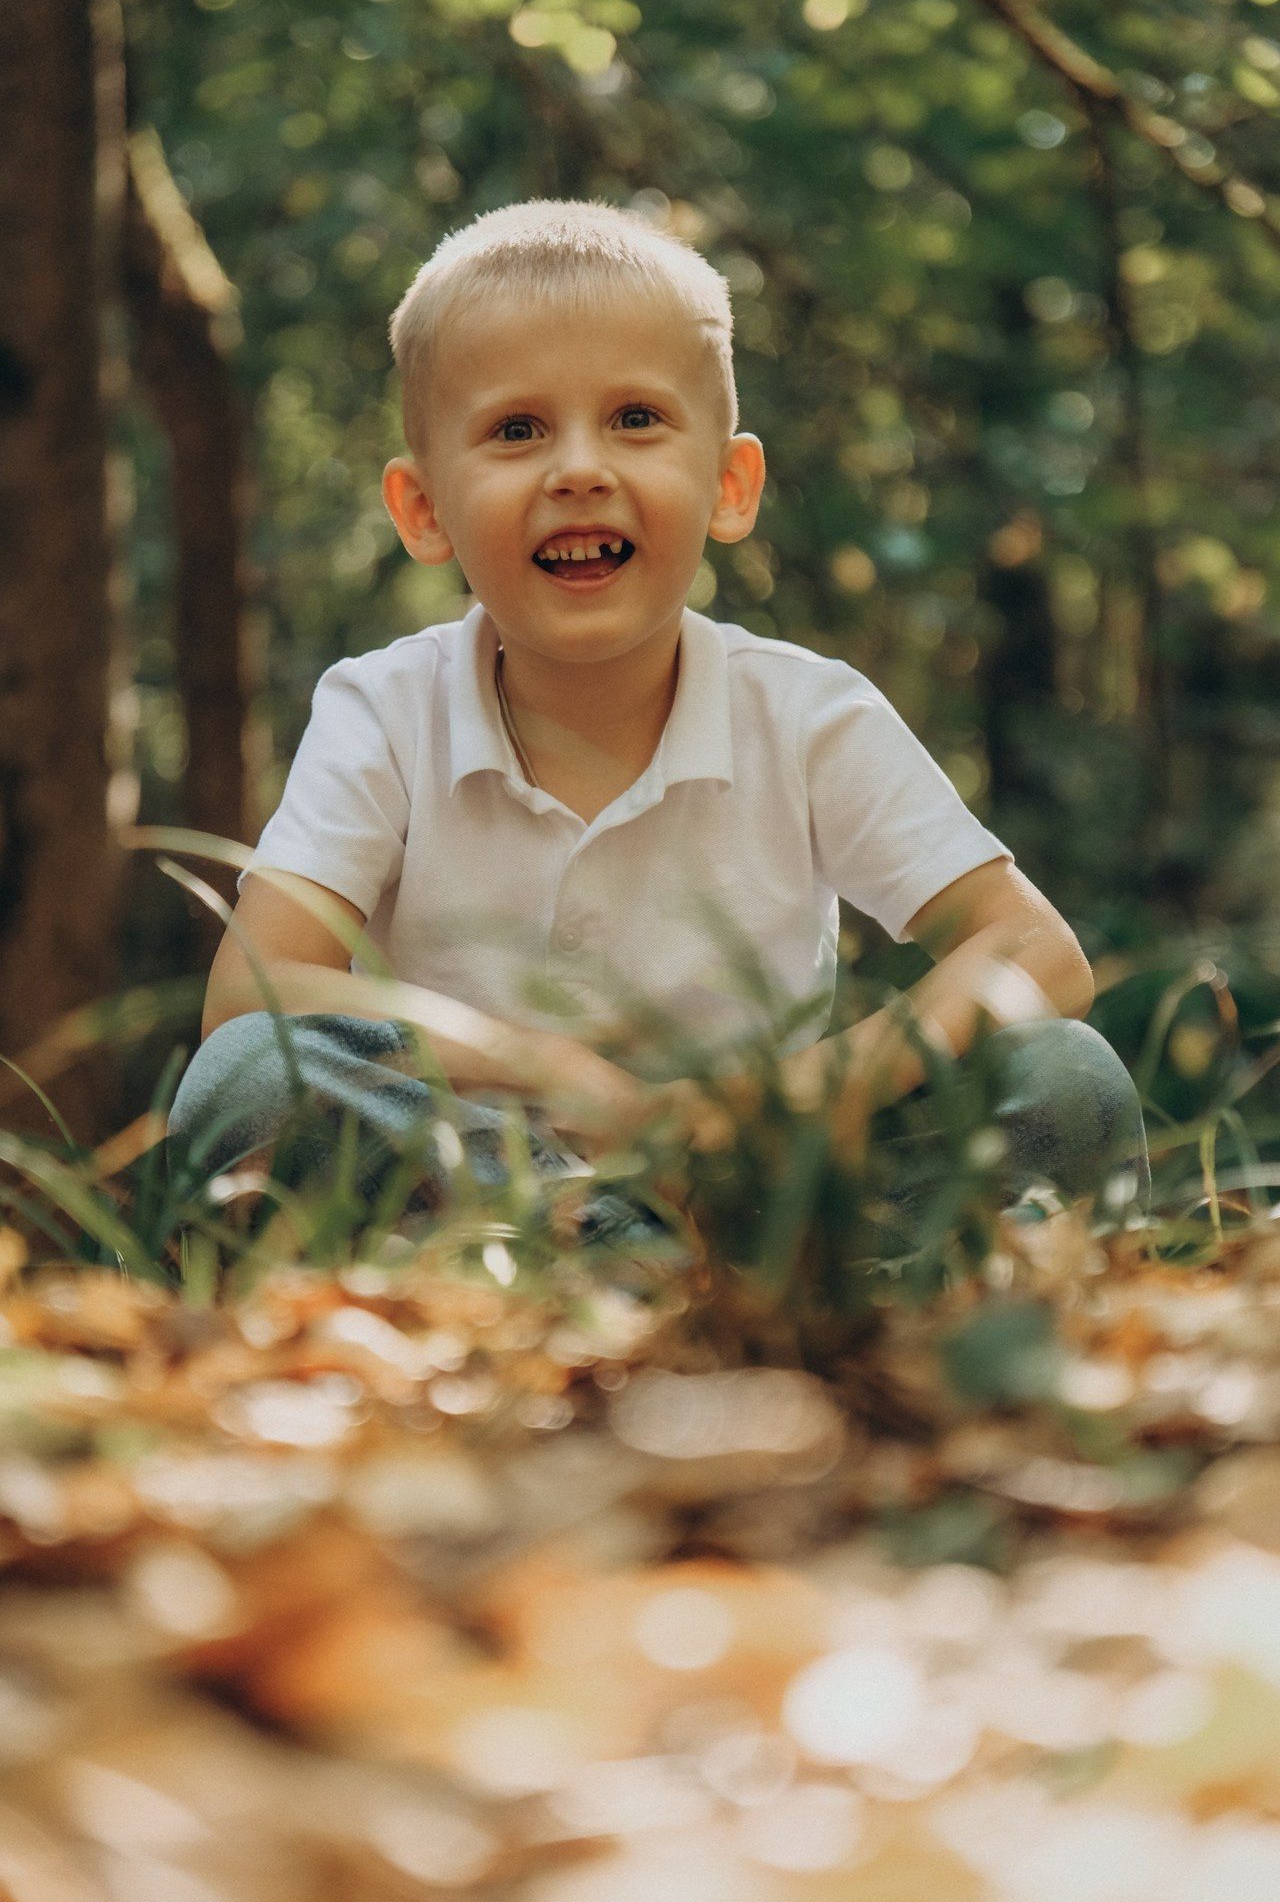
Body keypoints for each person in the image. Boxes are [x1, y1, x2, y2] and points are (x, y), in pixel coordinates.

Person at [169, 199, 1147, 1244]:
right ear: (424, 509)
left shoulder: (808, 715)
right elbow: (252, 994)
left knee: (1064, 1077)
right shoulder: (385, 708)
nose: (579, 470)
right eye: (516, 430)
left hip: (764, 1189)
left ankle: (774, 1287)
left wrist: (806, 1097)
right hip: (482, 1189)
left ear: (729, 486)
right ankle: (609, 1262)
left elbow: (1036, 952)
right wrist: (555, 1075)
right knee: (247, 1079)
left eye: (635, 419)